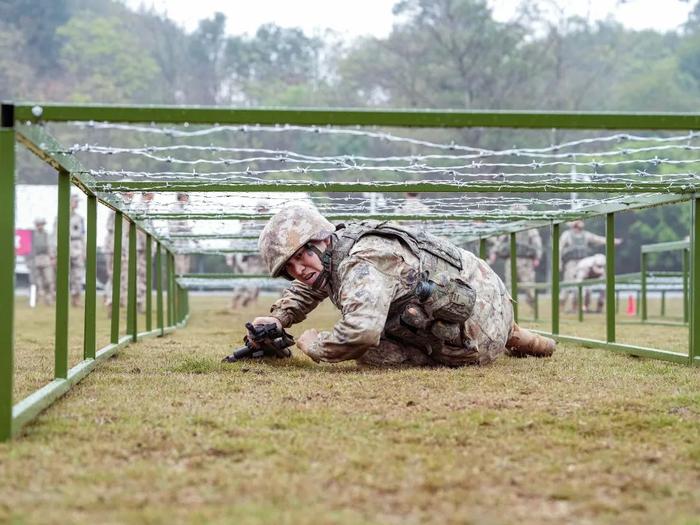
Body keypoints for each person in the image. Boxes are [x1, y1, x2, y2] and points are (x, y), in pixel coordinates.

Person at [248, 205, 555, 367]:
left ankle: (501, 340)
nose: (298, 270)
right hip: (489, 291)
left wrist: (315, 344)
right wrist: (278, 318)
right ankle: (517, 336)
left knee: (367, 352)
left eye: (301, 256)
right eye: (289, 267)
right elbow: (310, 285)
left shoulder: (361, 261)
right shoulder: (344, 244)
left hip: (471, 342)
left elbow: (360, 332)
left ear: (320, 239)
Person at [559, 220, 620, 314]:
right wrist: (559, 263)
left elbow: (598, 239)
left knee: (585, 287)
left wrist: (612, 240)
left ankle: (579, 308)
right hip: (571, 263)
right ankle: (560, 307)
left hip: (583, 263)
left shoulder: (586, 235)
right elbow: (559, 248)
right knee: (568, 285)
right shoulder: (567, 234)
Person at [488, 228, 542, 308]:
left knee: (529, 287)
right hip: (511, 259)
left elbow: (537, 242)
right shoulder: (510, 226)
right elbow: (499, 241)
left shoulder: (530, 228)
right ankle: (510, 308)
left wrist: (537, 256)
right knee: (509, 286)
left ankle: (533, 306)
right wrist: (494, 252)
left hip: (525, 260)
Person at [54, 194, 85, 307]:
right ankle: (62, 298)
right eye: (74, 201)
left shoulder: (80, 218)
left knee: (77, 275)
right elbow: (55, 235)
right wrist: (55, 252)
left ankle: (76, 299)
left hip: (77, 247)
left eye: (77, 201)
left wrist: (84, 251)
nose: (76, 203)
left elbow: (82, 235)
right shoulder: (60, 217)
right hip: (64, 245)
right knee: (63, 274)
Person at [30, 217, 54, 306]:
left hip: (45, 258)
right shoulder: (32, 235)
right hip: (35, 258)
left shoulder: (47, 234)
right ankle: (34, 300)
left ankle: (49, 300)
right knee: (35, 281)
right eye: (38, 224)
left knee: (48, 280)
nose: (39, 226)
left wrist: (52, 258)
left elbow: (50, 246)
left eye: (41, 224)